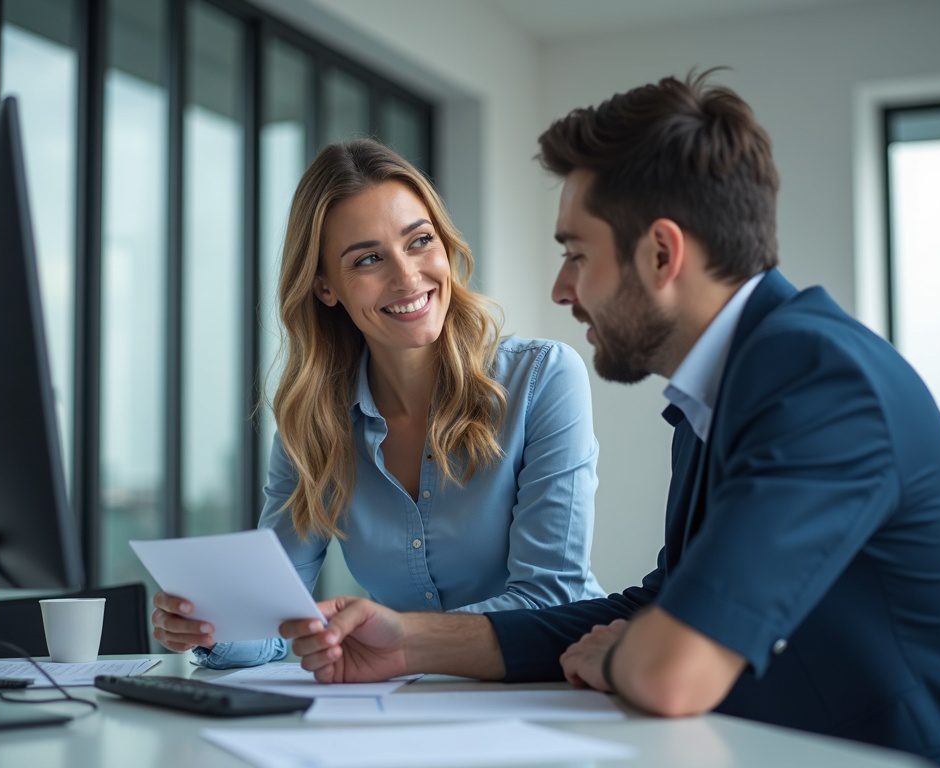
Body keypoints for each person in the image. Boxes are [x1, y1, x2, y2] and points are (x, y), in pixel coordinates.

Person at [278, 73, 940, 767]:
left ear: (661, 253)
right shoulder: (723, 391)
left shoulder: (819, 379)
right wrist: (408, 641)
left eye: (576, 254)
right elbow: (657, 607)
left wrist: (630, 650)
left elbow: (669, 671)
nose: (563, 289)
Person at [151, 139, 605, 668]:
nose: (408, 276)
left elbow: (550, 600)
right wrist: (211, 624)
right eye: (368, 259)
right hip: (408, 706)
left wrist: (402, 639)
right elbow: (277, 620)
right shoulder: (314, 427)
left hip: (551, 688)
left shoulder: (542, 378)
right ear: (325, 287)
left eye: (419, 241)